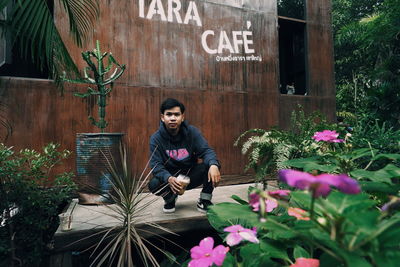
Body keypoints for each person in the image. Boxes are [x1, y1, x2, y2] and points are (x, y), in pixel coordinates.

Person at [148, 98, 221, 213]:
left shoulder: (191, 132)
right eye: (169, 114)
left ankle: (204, 200)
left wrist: (213, 165)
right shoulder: (156, 138)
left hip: (189, 176)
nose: (173, 118)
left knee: (212, 164)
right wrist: (169, 178)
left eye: (176, 114)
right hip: (170, 179)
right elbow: (156, 165)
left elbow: (206, 151)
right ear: (162, 117)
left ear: (182, 117)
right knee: (154, 184)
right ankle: (170, 199)